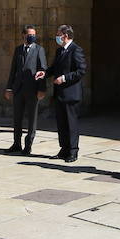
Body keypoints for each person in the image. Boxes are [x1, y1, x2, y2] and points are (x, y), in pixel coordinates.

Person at [4, 25, 48, 155]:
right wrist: (9, 88)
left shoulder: (39, 49)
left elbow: (42, 70)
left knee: (31, 118)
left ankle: (28, 145)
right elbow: (13, 70)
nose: (32, 37)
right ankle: (16, 143)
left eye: (33, 34)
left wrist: (42, 89)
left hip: (32, 89)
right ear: (23, 35)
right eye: (29, 34)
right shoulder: (18, 50)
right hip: (18, 89)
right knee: (17, 118)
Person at [46, 25, 87, 163]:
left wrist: (64, 78)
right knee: (61, 123)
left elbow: (81, 70)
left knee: (71, 123)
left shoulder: (76, 50)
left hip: (71, 93)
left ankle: (73, 151)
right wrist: (44, 73)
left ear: (65, 35)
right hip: (59, 93)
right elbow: (54, 68)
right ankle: (64, 149)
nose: (57, 37)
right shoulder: (59, 51)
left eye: (58, 34)